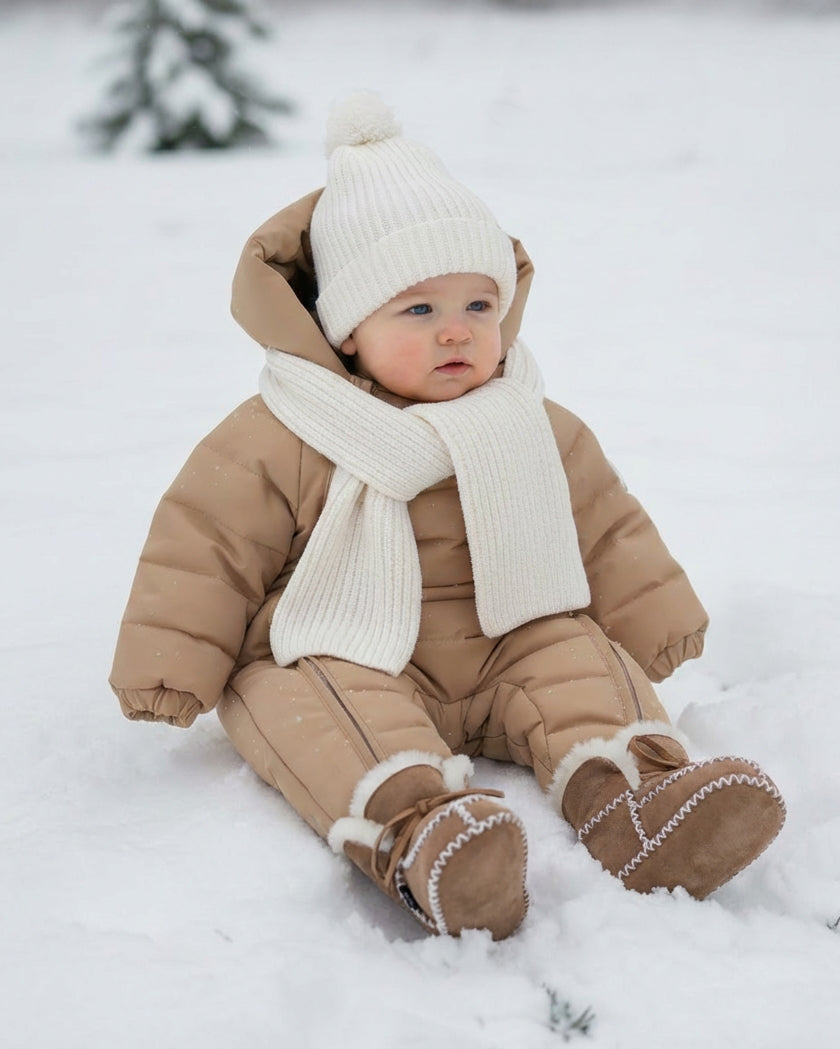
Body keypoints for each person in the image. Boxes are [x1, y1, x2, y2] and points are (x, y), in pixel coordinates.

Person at [109, 93, 785, 940]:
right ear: (347, 331)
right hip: (348, 642)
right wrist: (171, 661)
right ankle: (425, 833)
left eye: (477, 306)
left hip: (509, 633)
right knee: (309, 696)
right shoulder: (287, 428)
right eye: (419, 311)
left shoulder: (530, 419)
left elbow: (604, 521)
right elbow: (204, 544)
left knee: (575, 653)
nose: (456, 333)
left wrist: (654, 617)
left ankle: (638, 803)